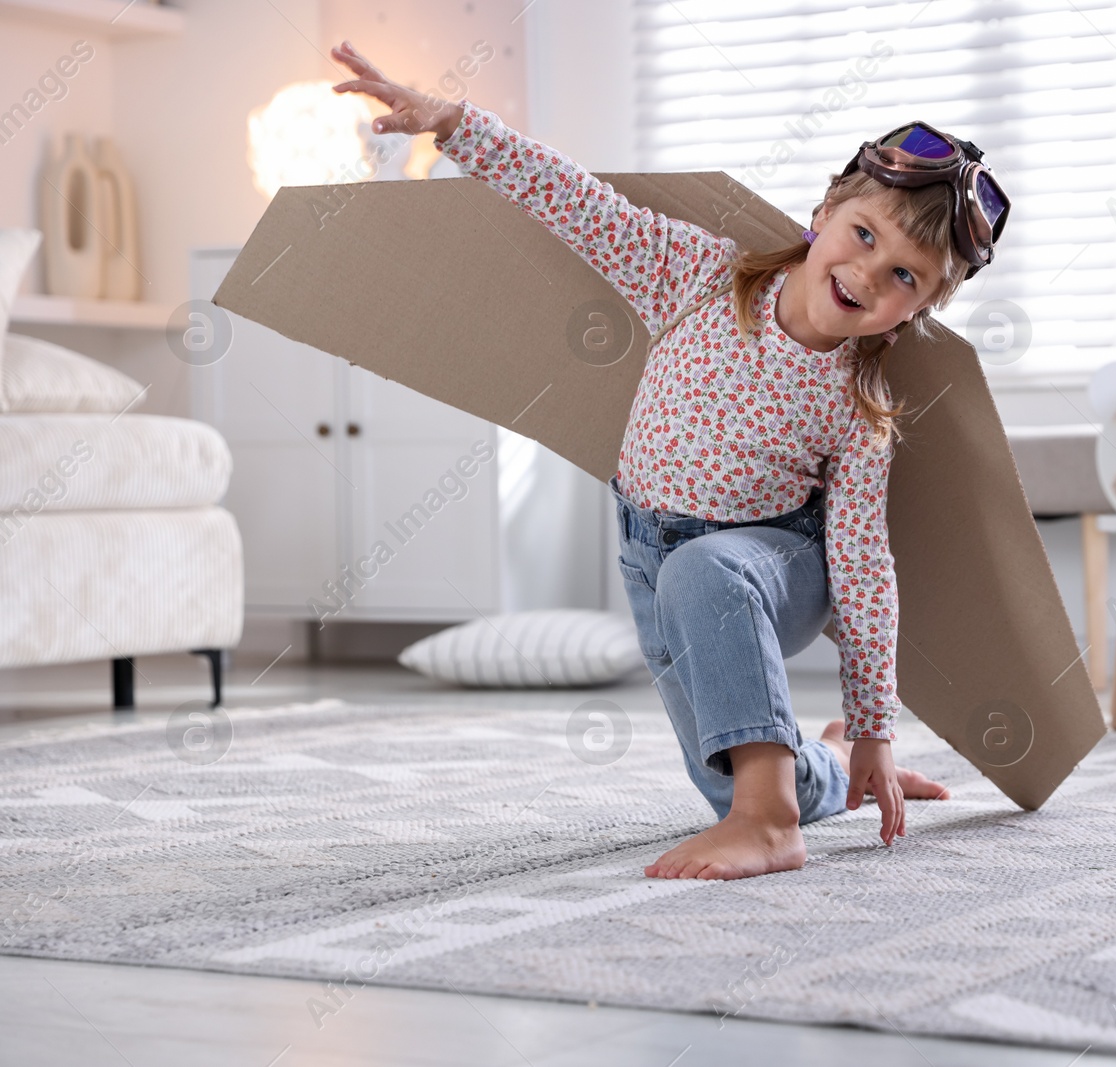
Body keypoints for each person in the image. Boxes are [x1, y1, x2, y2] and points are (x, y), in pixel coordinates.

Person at [330, 39, 1011, 881]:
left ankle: (772, 826)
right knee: (726, 770)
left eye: (904, 274)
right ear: (826, 209)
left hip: (772, 560)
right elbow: (576, 202)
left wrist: (876, 718)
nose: (869, 272)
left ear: (919, 308)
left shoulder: (858, 407)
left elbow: (865, 566)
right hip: (649, 555)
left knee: (709, 577)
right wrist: (455, 126)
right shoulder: (700, 276)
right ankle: (815, 775)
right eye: (863, 234)